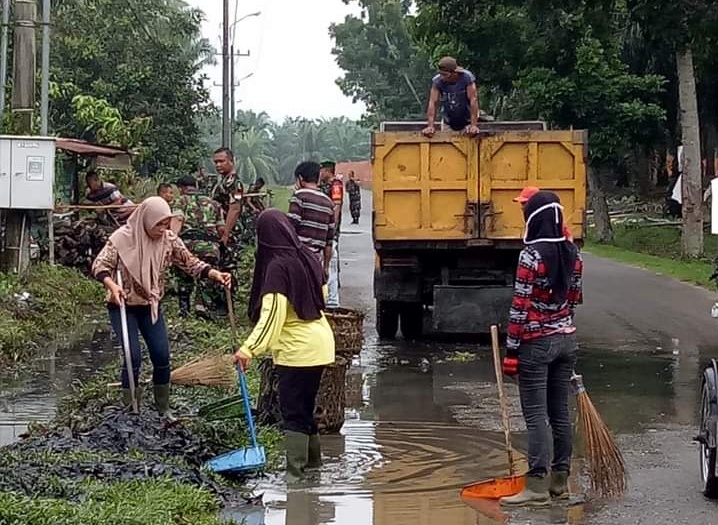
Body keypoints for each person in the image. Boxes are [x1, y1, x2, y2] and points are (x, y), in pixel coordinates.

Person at [92, 197, 232, 417]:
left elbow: (190, 263)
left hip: (151, 305)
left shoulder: (168, 240)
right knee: (132, 356)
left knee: (161, 354)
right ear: (146, 220)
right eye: (159, 223)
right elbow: (100, 265)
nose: (163, 228)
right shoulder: (121, 239)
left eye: (166, 223)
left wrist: (214, 274)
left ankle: (162, 408)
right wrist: (111, 285)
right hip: (123, 305)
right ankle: (131, 408)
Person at [233, 209, 335, 481]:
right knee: (305, 408)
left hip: (298, 351)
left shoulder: (277, 267)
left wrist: (248, 349)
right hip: (321, 343)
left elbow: (272, 317)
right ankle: (314, 468)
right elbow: (322, 294)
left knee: (293, 412)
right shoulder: (307, 256)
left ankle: (294, 476)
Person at [499, 191, 583, 507]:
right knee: (559, 412)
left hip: (536, 344)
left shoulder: (530, 256)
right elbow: (574, 298)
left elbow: (519, 306)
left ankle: (535, 486)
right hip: (566, 341)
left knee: (536, 415)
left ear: (534, 217)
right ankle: (559, 483)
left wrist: (511, 351)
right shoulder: (573, 253)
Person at [173, 175, 226, 317]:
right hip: (210, 246)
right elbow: (221, 228)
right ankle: (202, 308)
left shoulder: (180, 201)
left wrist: (172, 241)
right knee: (207, 278)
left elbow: (177, 220)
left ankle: (184, 309)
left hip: (188, 245)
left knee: (184, 276)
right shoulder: (214, 204)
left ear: (181, 188)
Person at [288, 161, 336, 276]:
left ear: (300, 178)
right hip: (316, 262)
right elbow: (329, 241)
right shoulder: (328, 203)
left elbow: (290, 228)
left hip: (299, 259)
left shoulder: (299, 197)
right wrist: (326, 268)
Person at [422, 56, 480, 138]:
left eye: (445, 75)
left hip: (467, 122)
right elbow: (433, 103)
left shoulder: (466, 78)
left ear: (454, 73)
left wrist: (473, 125)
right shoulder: (438, 81)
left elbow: (473, 100)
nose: (442, 77)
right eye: (441, 74)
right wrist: (430, 126)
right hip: (448, 122)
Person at [319, 160, 343, 308]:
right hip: (325, 229)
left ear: (328, 171)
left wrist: (331, 226)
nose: (320, 174)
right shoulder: (324, 185)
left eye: (322, 171)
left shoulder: (335, 185)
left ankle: (332, 301)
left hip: (330, 230)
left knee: (331, 261)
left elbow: (337, 206)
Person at [212, 147, 244, 247]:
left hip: (229, 230)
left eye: (221, 161)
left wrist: (226, 234)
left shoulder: (235, 184)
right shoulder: (222, 181)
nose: (218, 165)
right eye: (216, 162)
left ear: (231, 161)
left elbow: (235, 209)